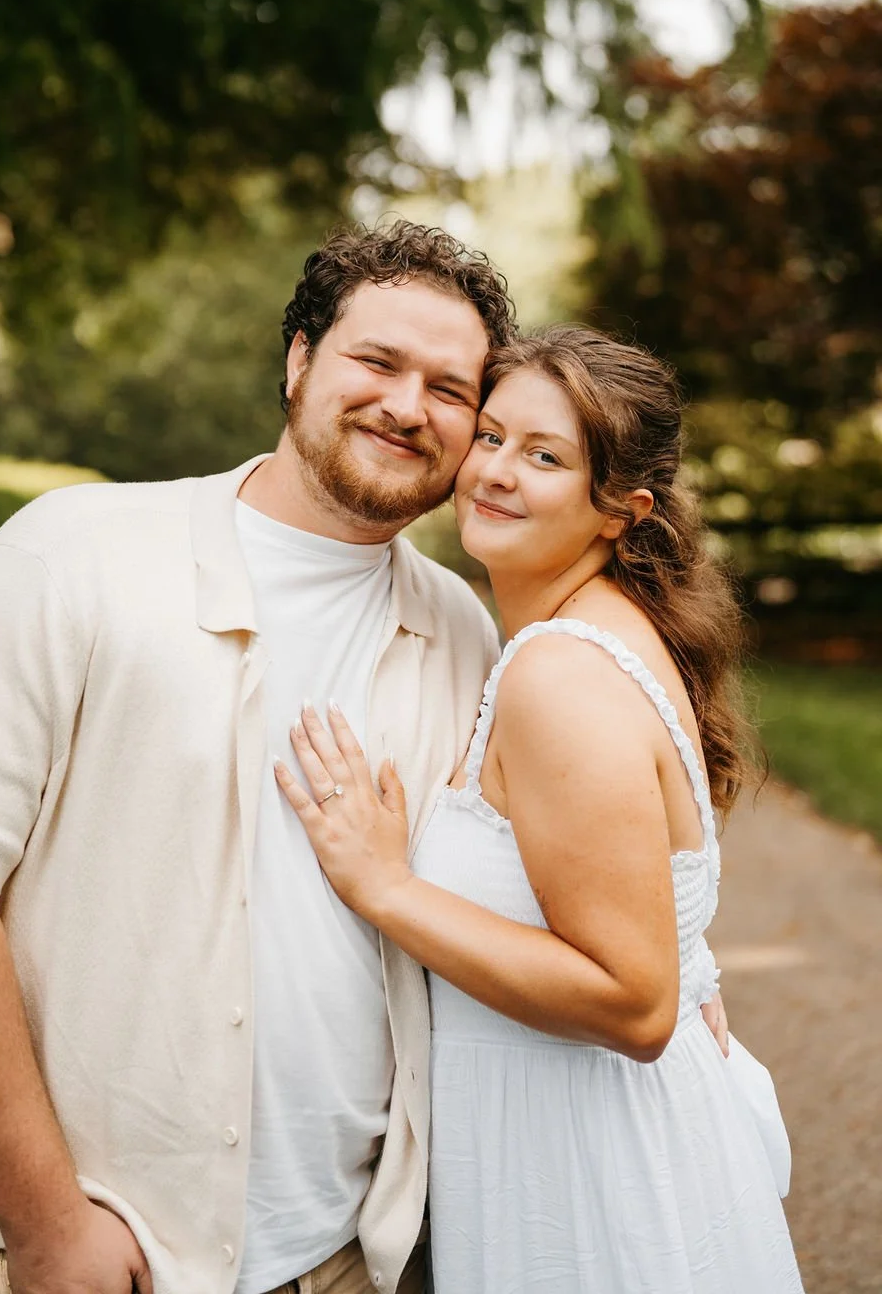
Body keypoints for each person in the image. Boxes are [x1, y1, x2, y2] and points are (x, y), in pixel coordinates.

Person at [0, 221, 514, 1294]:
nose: (410, 405)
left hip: (363, 1251)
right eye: (377, 361)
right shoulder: (68, 555)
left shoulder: (461, 629)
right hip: (119, 1253)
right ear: (299, 359)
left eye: (452, 389)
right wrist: (44, 1225)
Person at [277, 326, 804, 1292]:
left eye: (546, 456)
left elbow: (635, 1004)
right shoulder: (572, 636)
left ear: (620, 511)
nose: (496, 473)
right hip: (579, 1132)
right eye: (491, 437)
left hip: (592, 1167)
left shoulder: (560, 673)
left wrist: (386, 888)